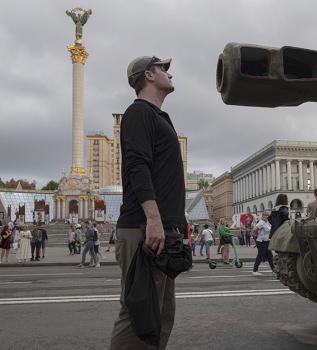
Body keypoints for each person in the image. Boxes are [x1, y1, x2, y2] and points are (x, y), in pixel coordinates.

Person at [110, 53, 187, 350]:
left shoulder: (156, 116)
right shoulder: (139, 113)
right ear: (149, 76)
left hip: (160, 230)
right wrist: (153, 220)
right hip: (144, 229)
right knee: (138, 316)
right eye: (163, 68)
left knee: (161, 315)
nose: (170, 73)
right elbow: (137, 166)